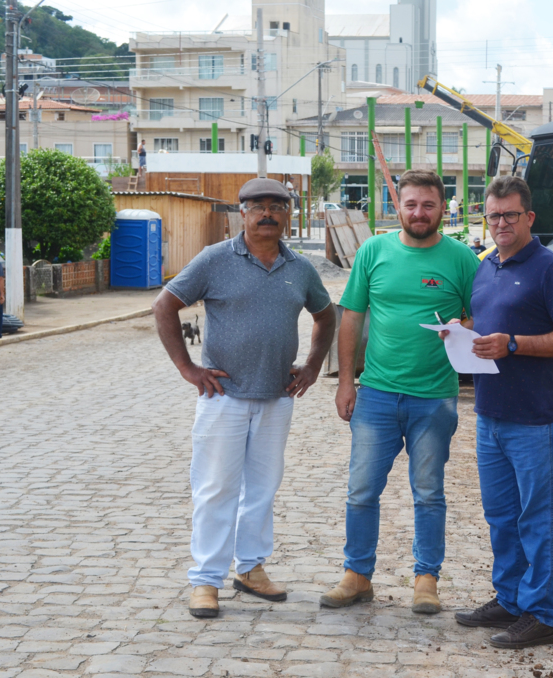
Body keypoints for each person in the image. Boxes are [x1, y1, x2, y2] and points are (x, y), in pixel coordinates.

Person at [152, 178, 336, 619]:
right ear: (242, 214)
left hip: (277, 397)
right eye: (258, 207)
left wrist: (312, 366)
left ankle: (251, 569)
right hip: (224, 396)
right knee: (216, 488)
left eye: (277, 206)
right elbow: (164, 305)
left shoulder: (301, 268)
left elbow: (326, 315)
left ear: (289, 215)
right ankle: (205, 581)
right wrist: (187, 368)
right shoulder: (215, 260)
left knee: (262, 488)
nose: (268, 213)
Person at [320, 169, 480, 615]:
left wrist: (460, 327)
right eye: (411, 204)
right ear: (398, 207)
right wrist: (347, 381)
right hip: (376, 395)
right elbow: (351, 316)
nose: (419, 212)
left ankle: (426, 580)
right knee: (361, 489)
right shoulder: (374, 251)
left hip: (435, 397)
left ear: (442, 209)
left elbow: (482, 315)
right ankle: (357, 576)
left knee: (429, 492)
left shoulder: (462, 259)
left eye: (428, 205)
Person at [452, 175, 553, 648]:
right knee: (501, 515)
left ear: (529, 217)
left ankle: (540, 613)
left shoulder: (551, 269)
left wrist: (514, 344)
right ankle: (509, 598)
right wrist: (460, 333)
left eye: (511, 214)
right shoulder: (485, 267)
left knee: (538, 517)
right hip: (490, 416)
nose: (501, 223)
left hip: (534, 419)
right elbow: (488, 324)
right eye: (493, 215)